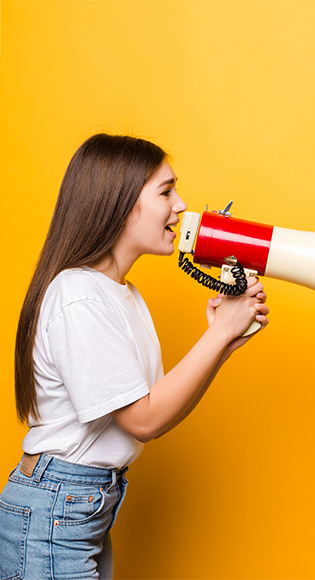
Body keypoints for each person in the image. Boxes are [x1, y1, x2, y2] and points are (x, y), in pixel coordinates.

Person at [0, 134, 269, 579]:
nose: (182, 205)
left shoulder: (121, 294)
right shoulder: (79, 295)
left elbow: (154, 404)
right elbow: (144, 419)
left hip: (80, 507)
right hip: (57, 507)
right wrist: (220, 332)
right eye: (166, 191)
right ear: (120, 203)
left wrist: (223, 341)